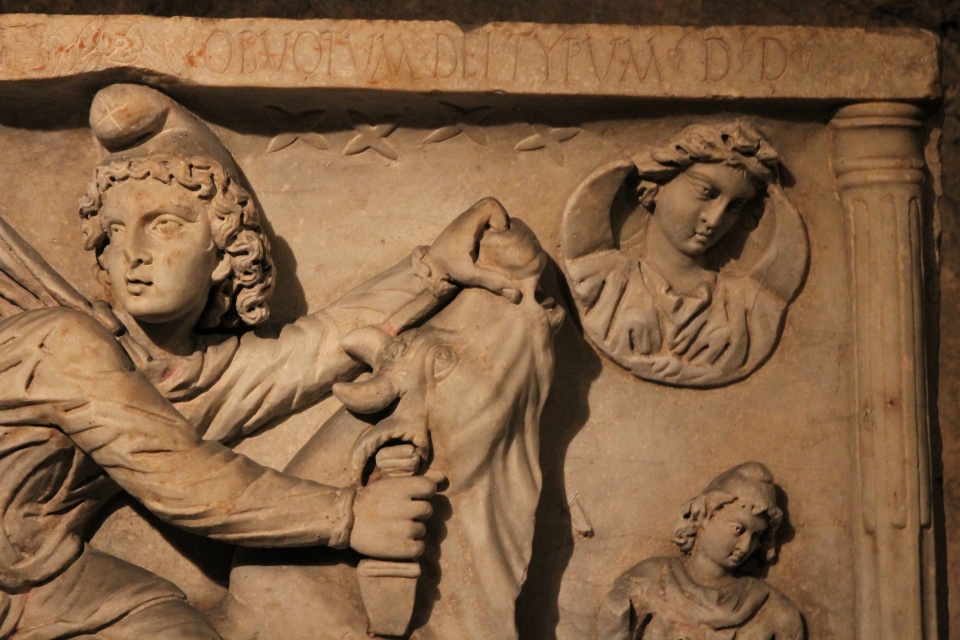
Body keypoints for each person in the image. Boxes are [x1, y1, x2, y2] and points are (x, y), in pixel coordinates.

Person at [0, 84, 540, 639]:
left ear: (224, 252)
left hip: (41, 573)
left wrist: (434, 269)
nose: (132, 253)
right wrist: (350, 516)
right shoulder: (65, 343)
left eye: (164, 225)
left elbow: (311, 350)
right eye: (115, 232)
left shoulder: (184, 373)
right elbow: (180, 478)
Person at [561, 121, 808, 387]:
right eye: (706, 192)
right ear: (655, 186)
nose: (715, 219)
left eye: (735, 206)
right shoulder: (605, 283)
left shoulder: (746, 307)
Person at [597, 462, 804, 640]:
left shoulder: (772, 608)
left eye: (756, 536)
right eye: (738, 529)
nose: (745, 546)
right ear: (706, 516)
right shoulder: (649, 581)